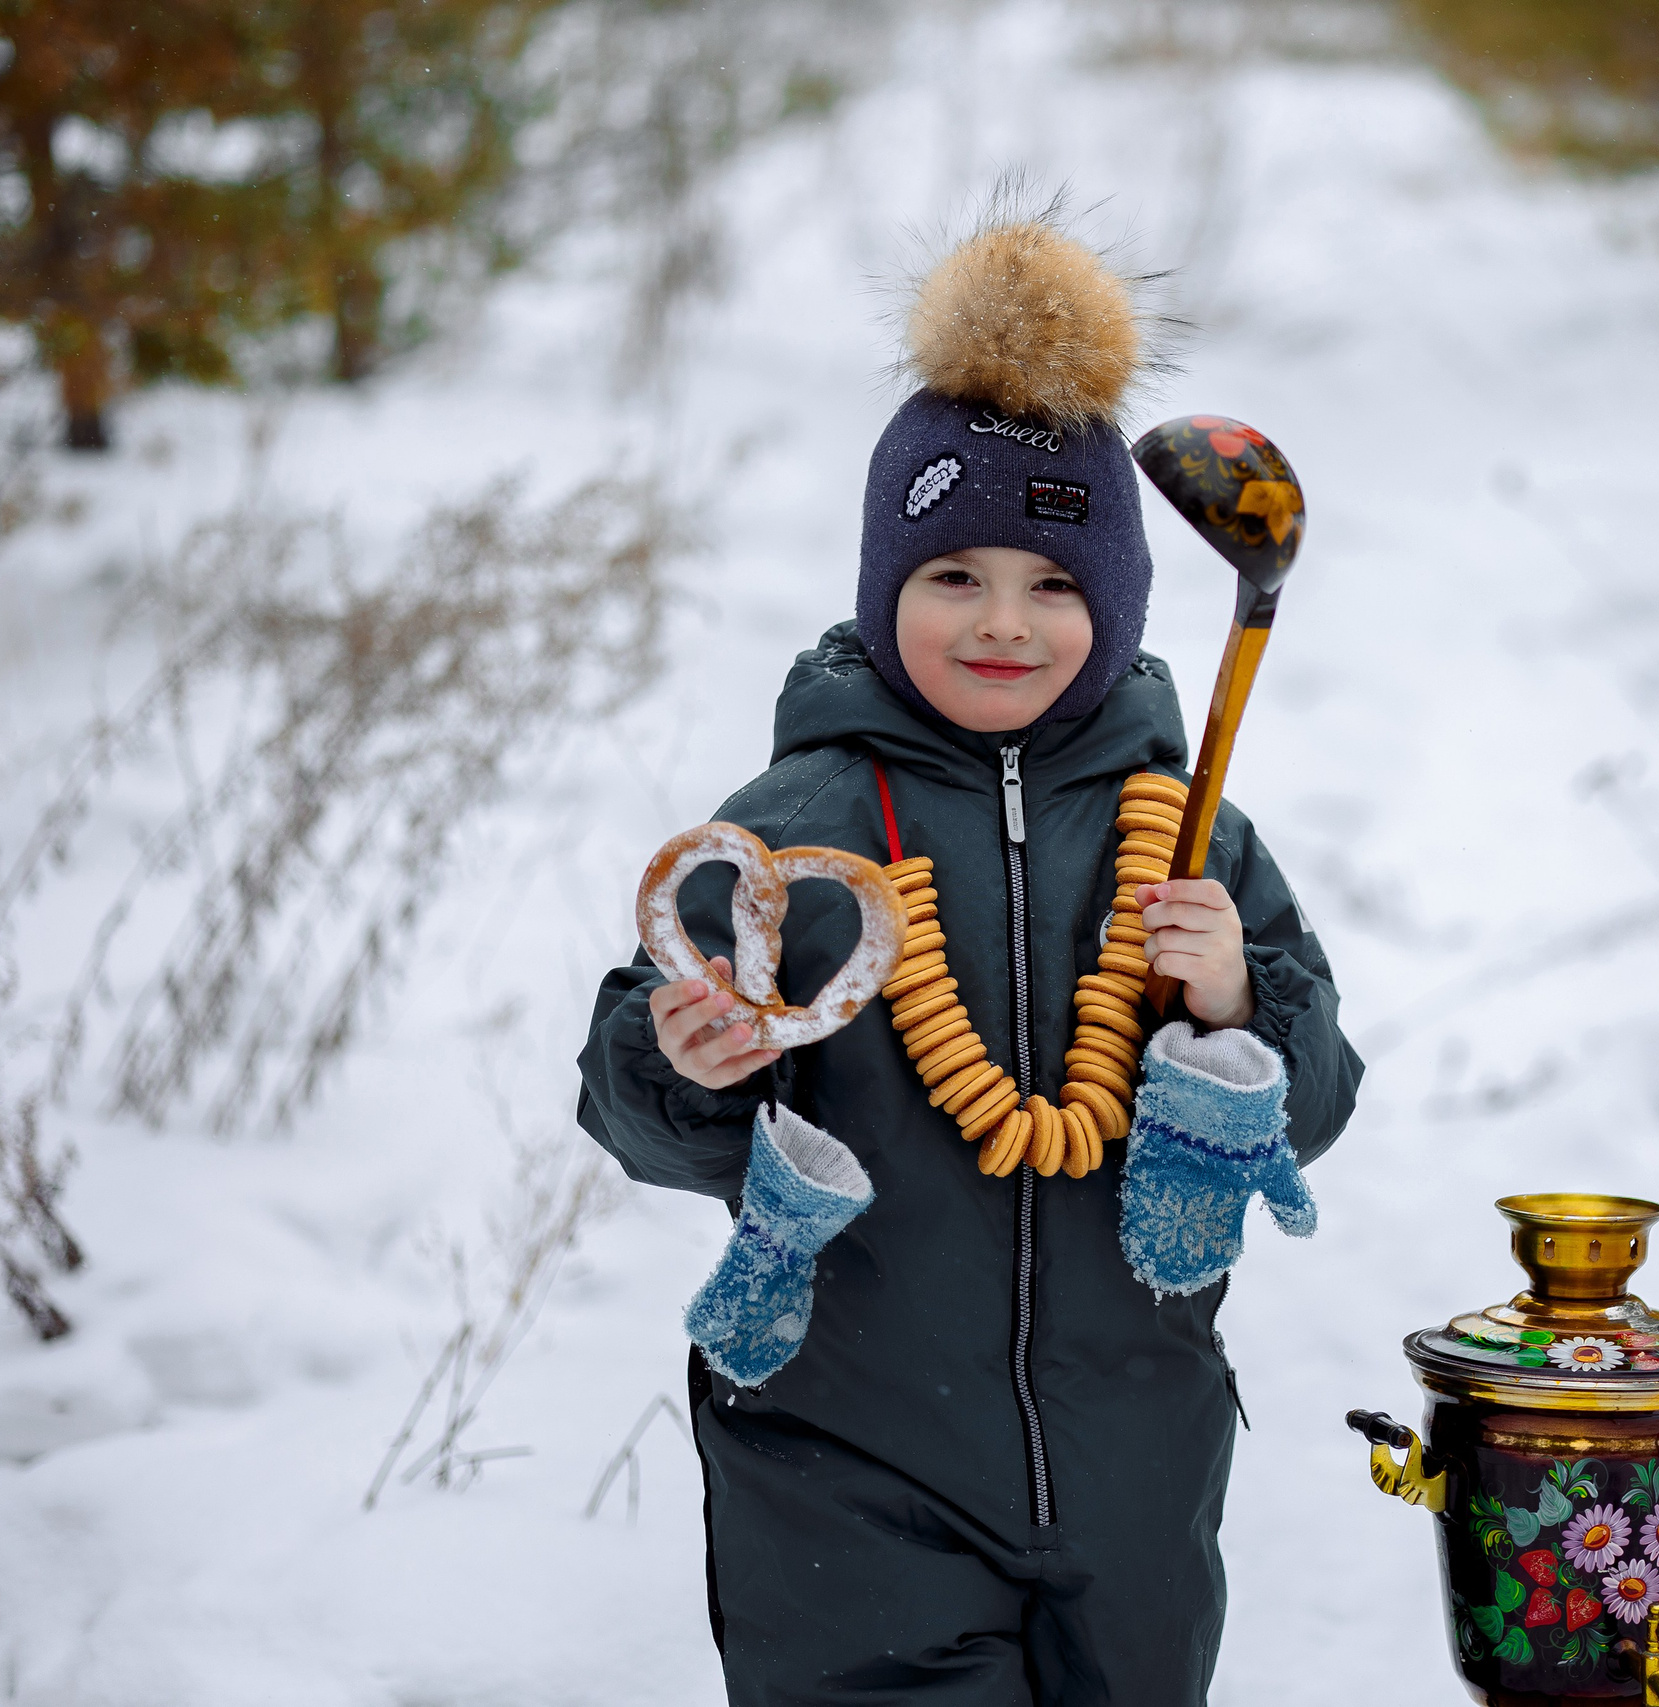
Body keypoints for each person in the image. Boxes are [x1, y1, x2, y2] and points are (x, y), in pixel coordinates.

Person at [575, 207, 1362, 1707]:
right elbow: (631, 1102)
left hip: (1136, 1463)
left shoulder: (1189, 832)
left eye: (1056, 586)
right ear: (886, 590)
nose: (1004, 624)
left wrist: (1237, 1002)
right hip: (847, 1460)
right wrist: (681, 1069)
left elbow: (1312, 1103)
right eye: (955, 579)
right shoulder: (797, 830)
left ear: (1116, 605)